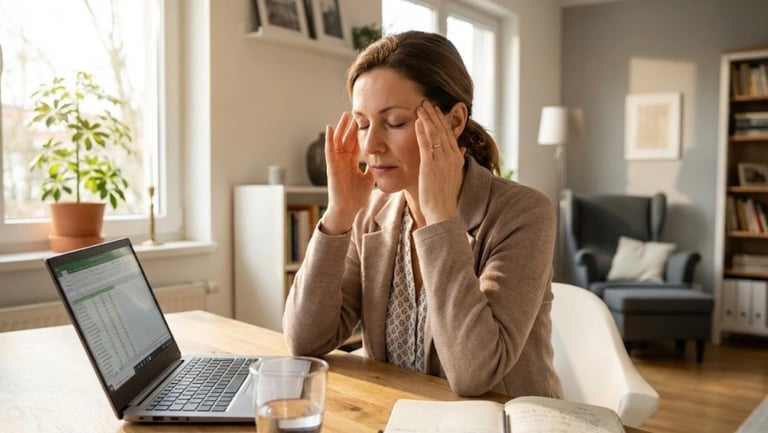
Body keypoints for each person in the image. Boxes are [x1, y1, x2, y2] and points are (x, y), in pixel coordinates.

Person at [283, 30, 563, 399]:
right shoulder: (372, 214)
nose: (369, 145)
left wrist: (441, 220)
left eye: (395, 122)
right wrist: (339, 214)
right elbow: (306, 339)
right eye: (363, 123)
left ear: (454, 121)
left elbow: (474, 374)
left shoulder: (524, 214)